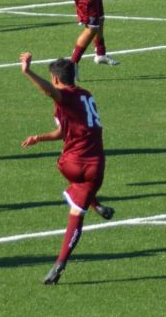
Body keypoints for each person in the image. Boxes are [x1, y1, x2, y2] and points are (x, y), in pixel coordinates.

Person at [19, 52, 114, 285]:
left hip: (71, 164)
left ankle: (91, 205)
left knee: (72, 193)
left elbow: (49, 92)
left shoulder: (66, 97)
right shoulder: (86, 95)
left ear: (55, 79)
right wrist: (39, 138)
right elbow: (62, 132)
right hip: (97, 168)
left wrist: (27, 71)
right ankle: (60, 262)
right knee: (78, 209)